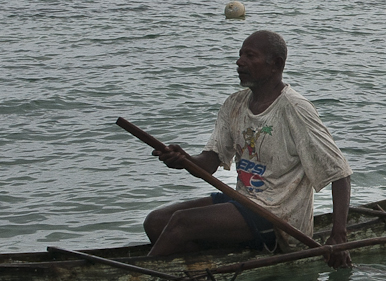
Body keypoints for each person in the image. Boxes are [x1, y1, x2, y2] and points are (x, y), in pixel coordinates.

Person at [143, 30, 354, 267]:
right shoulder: (234, 104)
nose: (239, 62)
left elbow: (340, 173)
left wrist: (339, 236)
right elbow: (209, 162)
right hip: (243, 202)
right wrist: (183, 160)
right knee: (155, 222)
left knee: (181, 223)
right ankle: (205, 265)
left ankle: (143, 276)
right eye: (240, 54)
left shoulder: (295, 108)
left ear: (276, 64)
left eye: (250, 56)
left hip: (276, 218)